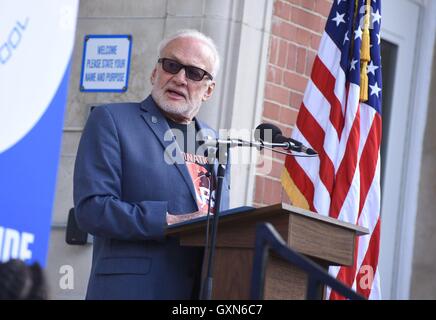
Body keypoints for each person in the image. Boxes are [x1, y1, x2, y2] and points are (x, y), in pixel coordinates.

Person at [73, 29, 230, 300]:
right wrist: (167, 221)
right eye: (171, 66)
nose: (179, 78)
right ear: (155, 73)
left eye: (193, 73)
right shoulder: (112, 120)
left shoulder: (215, 143)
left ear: (209, 90)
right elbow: (91, 208)